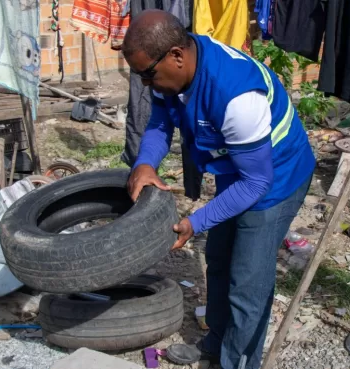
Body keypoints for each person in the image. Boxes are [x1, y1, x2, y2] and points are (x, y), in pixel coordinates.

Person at [121, 10, 315, 369]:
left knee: (248, 282)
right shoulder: (176, 76)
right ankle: (217, 341)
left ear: (177, 56)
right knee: (220, 257)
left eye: (147, 74)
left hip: (275, 177)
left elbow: (257, 182)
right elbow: (160, 122)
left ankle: (238, 362)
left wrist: (197, 220)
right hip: (236, 167)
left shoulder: (235, 96)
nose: (146, 84)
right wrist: (146, 163)